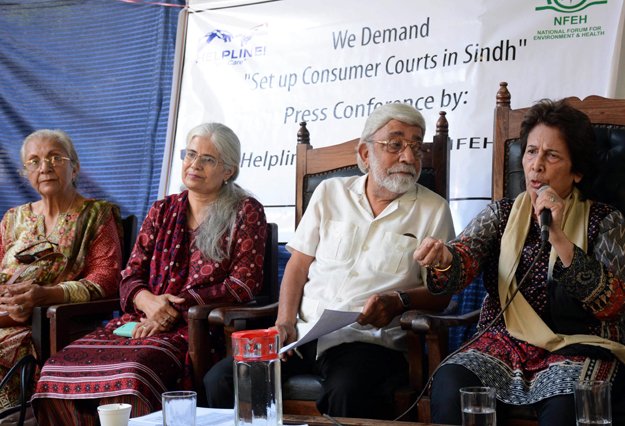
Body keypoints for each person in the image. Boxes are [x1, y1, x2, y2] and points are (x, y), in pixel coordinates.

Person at [204, 103, 455, 419]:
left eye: (416, 147)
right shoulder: (330, 193)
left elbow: (441, 293)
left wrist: (398, 302)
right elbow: (297, 265)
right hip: (303, 334)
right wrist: (284, 321)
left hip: (370, 343)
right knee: (224, 380)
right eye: (395, 144)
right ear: (364, 153)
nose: (408, 157)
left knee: (347, 392)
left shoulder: (433, 210)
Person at [31, 123, 268, 424]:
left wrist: (172, 308)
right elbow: (130, 275)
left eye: (208, 159)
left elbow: (242, 285)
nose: (194, 164)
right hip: (140, 321)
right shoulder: (162, 210)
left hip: (199, 328)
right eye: (190, 154)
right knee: (55, 371)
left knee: (134, 373)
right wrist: (147, 302)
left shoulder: (245, 211)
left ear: (229, 171)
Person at [414, 99, 625, 426]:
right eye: (530, 152)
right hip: (503, 344)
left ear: (577, 171)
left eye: (551, 155)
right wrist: (444, 260)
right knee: (452, 381)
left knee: (570, 403)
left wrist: (558, 237)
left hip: (578, 348)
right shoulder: (500, 215)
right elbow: (462, 260)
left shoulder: (606, 221)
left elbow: (612, 304)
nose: (536, 165)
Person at [0, 129, 122, 410]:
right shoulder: (13, 219)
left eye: (56, 158)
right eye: (34, 161)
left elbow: (105, 280)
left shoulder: (96, 215)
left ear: (75, 167)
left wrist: (45, 296)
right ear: (25, 173)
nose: (44, 167)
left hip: (47, 326)